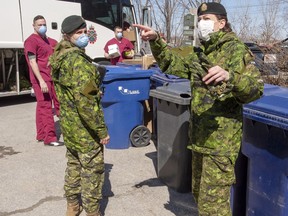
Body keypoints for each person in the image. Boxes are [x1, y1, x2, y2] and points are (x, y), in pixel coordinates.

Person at [134, 2, 264, 215]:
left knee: (214, 208)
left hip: (220, 144)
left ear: (221, 23)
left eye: (207, 20)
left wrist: (231, 77)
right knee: (200, 198)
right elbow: (171, 64)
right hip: (199, 140)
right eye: (200, 20)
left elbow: (255, 90)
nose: (202, 24)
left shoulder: (235, 49)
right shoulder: (201, 51)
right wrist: (156, 41)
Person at [49, 15, 110, 216]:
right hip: (84, 129)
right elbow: (87, 103)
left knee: (73, 166)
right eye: (79, 33)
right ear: (67, 35)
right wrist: (101, 130)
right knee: (92, 171)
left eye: (85, 32)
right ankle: (93, 212)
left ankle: (72, 206)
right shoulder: (78, 62)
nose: (83, 36)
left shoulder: (59, 57)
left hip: (69, 126)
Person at [24, 15, 62, 146]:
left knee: (42, 106)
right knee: (46, 106)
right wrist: (41, 81)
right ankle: (50, 138)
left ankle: (41, 134)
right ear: (33, 26)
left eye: (44, 24)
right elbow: (32, 61)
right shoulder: (31, 41)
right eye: (39, 25)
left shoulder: (50, 41)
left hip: (51, 78)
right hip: (41, 79)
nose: (42, 27)